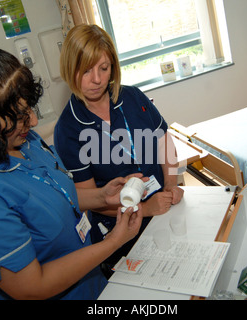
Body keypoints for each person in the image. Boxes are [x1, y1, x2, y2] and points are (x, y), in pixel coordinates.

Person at [0, 41, 143, 300]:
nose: (32, 122)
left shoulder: (19, 139)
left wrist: (102, 196)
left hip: (88, 283)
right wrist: (114, 242)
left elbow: (49, 196)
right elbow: (31, 287)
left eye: (29, 111)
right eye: (20, 117)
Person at [54, 24, 184, 271]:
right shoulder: (70, 129)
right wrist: (145, 209)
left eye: (104, 68)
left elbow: (164, 141)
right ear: (70, 71)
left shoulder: (133, 97)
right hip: (121, 229)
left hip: (163, 208)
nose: (97, 79)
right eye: (86, 71)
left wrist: (171, 184)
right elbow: (91, 198)